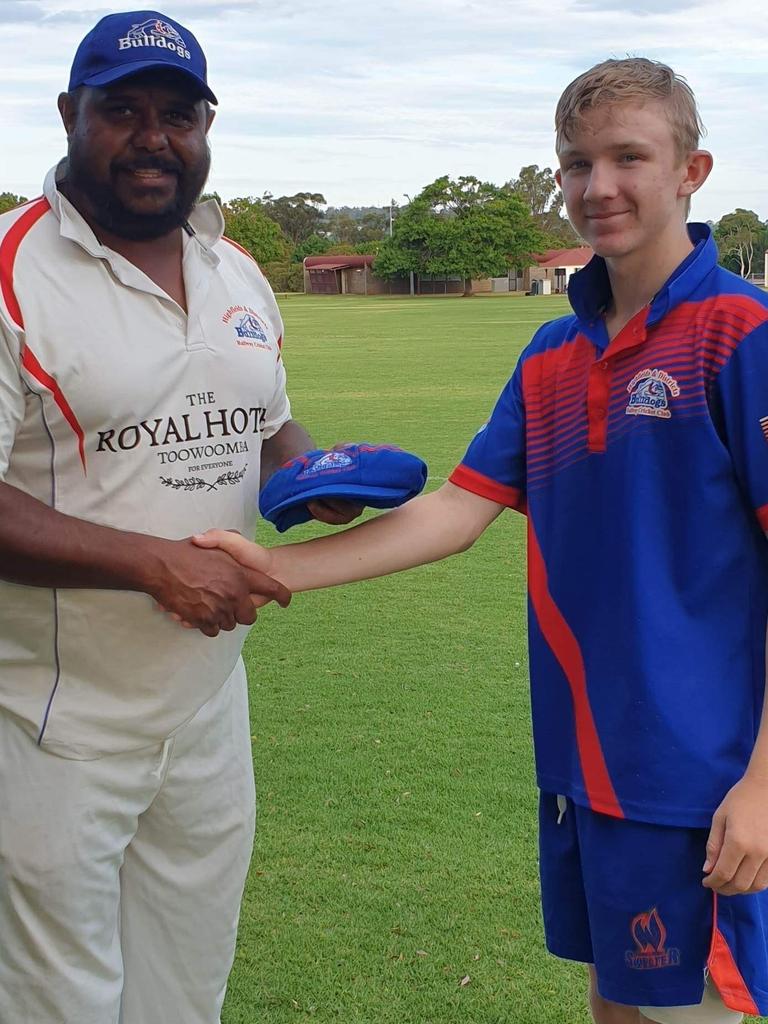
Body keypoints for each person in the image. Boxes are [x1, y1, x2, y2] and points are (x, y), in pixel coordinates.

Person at [197, 59, 768, 1024]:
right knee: (616, 1007)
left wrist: (762, 784)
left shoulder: (740, 335)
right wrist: (276, 567)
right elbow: (459, 511)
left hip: (704, 783)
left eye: (630, 157)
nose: (601, 187)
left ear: (691, 171)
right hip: (588, 769)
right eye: (577, 163)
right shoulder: (551, 355)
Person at [0, 10, 360, 1024]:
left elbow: (267, 426)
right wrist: (156, 565)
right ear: (71, 114)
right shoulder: (12, 275)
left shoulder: (232, 268)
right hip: (54, 721)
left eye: (179, 114)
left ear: (206, 127)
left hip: (207, 709)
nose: (154, 138)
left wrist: (313, 478)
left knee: (184, 993)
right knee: (59, 1002)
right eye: (123, 111)